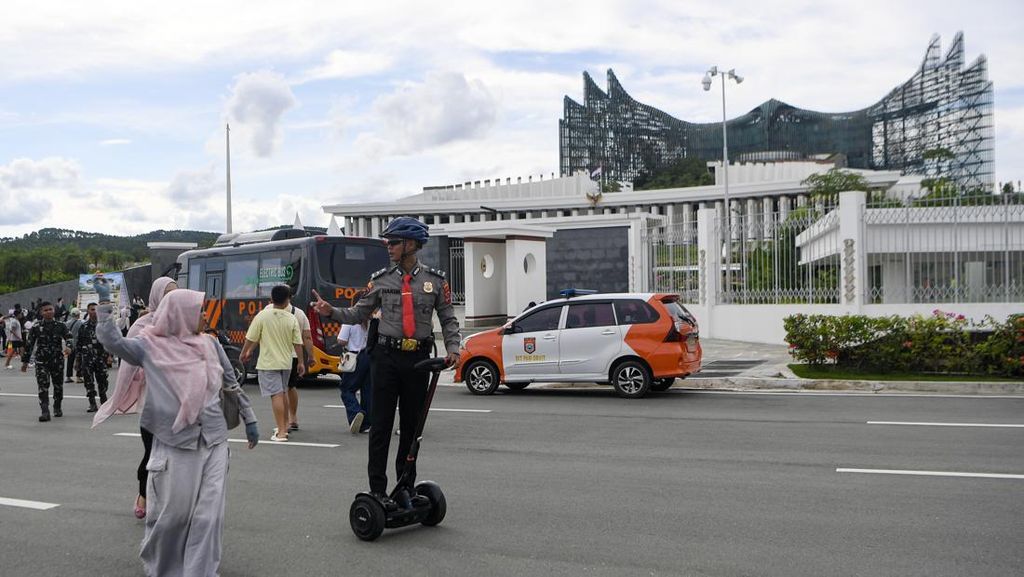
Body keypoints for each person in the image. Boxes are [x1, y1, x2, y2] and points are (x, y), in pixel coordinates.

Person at [93, 275, 260, 577]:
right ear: (182, 313)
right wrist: (105, 304)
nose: (207, 316)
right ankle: (165, 568)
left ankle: (201, 571)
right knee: (175, 514)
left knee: (210, 516)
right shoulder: (149, 346)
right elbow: (112, 342)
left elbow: (230, 383)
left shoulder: (209, 344)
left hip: (214, 440)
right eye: (201, 310)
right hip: (175, 442)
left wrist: (250, 419)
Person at [311, 216, 461, 507]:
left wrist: (454, 348)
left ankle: (406, 485)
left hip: (418, 359)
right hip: (386, 358)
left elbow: (448, 318)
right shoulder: (380, 280)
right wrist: (330, 311)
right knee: (380, 425)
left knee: (411, 427)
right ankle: (377, 490)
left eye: (393, 242)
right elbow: (357, 314)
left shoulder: (434, 281)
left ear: (412, 245)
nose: (388, 247)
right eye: (387, 242)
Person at [93, 277, 177, 520]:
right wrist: (105, 303)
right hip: (155, 409)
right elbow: (114, 343)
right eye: (167, 294)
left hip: (186, 410)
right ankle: (144, 494)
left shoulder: (186, 325)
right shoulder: (145, 328)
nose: (172, 299)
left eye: (176, 294)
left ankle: (176, 504)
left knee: (182, 461)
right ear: (156, 297)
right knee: (153, 456)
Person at [240, 284, 305, 442]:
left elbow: (251, 337)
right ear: (288, 300)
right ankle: (282, 425)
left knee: (276, 395)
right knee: (282, 392)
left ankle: (282, 432)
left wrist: (244, 353)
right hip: (286, 362)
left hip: (268, 362)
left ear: (272, 299)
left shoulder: (262, 315)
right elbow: (298, 343)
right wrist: (301, 362)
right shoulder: (291, 318)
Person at [21, 301, 72, 421]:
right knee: (43, 386)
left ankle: (57, 406)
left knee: (58, 386)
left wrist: (69, 346)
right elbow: (30, 344)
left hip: (57, 360)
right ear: (41, 312)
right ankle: (45, 411)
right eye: (46, 310)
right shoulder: (36, 327)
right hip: (41, 361)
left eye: (50, 309)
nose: (49, 312)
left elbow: (69, 337)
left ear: (54, 310)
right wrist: (25, 362)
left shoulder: (61, 325)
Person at [338, 313, 373, 434]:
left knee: (346, 389)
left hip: (354, 357)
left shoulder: (349, 320)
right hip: (370, 357)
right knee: (367, 390)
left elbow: (342, 340)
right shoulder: (371, 320)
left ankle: (356, 412)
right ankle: (367, 423)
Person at [77, 303, 110, 412]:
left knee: (103, 381)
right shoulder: (83, 326)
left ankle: (104, 401)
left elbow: (110, 342)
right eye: (92, 309)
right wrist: (77, 361)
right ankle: (92, 403)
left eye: (96, 309)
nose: (94, 311)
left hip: (101, 358)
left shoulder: (104, 326)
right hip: (87, 359)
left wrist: (110, 356)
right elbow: (79, 344)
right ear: (88, 311)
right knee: (89, 382)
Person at [64, 309, 84, 383]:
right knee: (79, 360)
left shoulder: (67, 323)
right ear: (78, 315)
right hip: (78, 344)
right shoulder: (81, 323)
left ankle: (68, 376)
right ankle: (78, 377)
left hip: (69, 345)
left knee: (70, 360)